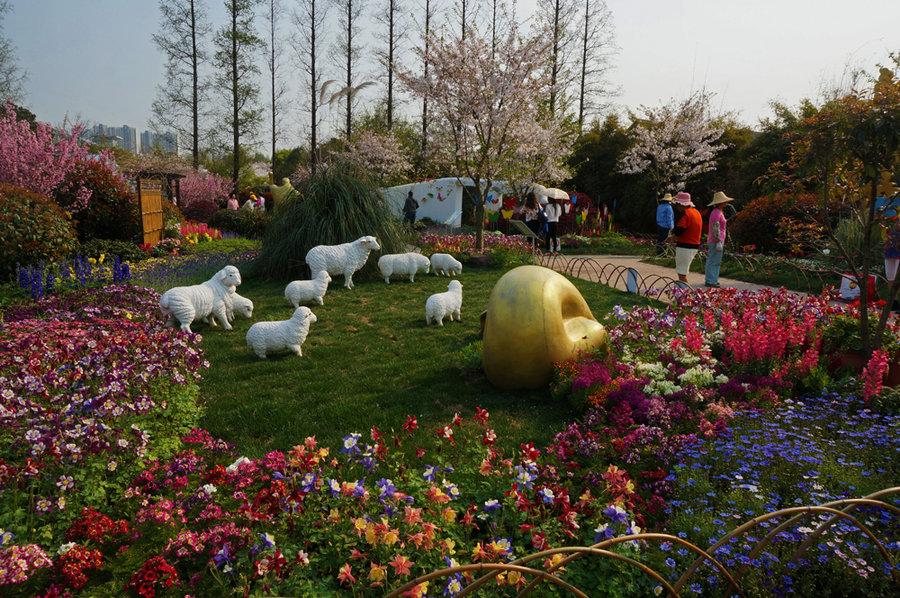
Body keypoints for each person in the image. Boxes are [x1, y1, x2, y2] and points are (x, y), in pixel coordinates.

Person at [670, 192, 702, 284]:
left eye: (677, 204)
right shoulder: (696, 212)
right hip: (694, 245)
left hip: (685, 245)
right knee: (684, 271)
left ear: (681, 204)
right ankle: (684, 294)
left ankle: (686, 294)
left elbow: (680, 229)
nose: (676, 206)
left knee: (682, 274)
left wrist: (674, 237)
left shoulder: (685, 213)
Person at [704, 191, 735, 288]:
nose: (725, 203)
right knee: (713, 261)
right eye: (724, 201)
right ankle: (710, 280)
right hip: (715, 241)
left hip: (717, 240)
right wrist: (717, 241)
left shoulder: (718, 212)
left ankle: (713, 279)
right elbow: (715, 227)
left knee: (715, 260)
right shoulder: (716, 213)